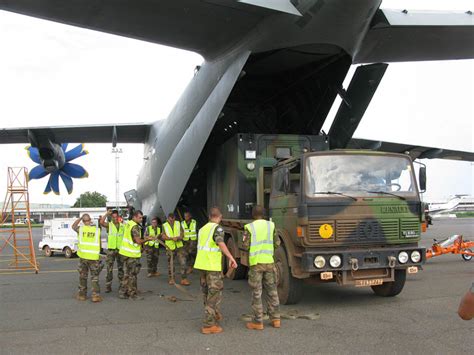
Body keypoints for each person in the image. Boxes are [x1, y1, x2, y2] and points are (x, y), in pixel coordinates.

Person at [194, 207, 237, 334]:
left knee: (207, 293)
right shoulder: (217, 228)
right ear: (220, 217)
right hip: (212, 266)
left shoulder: (202, 229)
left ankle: (213, 315)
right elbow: (220, 242)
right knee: (214, 294)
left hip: (202, 265)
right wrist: (231, 257)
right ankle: (209, 325)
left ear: (209, 216)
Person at [242, 205, 281, 330]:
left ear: (253, 215)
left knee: (257, 293)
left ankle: (258, 322)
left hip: (256, 263)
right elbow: (277, 243)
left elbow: (246, 245)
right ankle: (276, 319)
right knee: (272, 291)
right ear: (264, 214)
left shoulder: (249, 227)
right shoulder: (271, 225)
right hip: (269, 262)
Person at [118, 210, 153, 300]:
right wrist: (147, 239)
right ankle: (132, 294)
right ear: (134, 217)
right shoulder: (135, 227)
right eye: (139, 217)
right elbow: (138, 241)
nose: (141, 219)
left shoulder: (128, 223)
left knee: (127, 274)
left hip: (125, 253)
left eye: (142, 218)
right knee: (132, 275)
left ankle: (123, 292)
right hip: (132, 254)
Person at [72, 214, 103, 303]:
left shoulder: (80, 230)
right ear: (90, 220)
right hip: (93, 257)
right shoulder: (97, 230)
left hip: (83, 257)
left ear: (83, 221)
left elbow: (73, 226)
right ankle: (95, 296)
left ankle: (82, 295)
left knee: (83, 276)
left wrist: (80, 218)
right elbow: (100, 243)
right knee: (94, 277)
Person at [99, 209, 125, 293]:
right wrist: (107, 213)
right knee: (109, 269)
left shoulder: (122, 226)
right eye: (113, 217)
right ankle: (108, 286)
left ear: (118, 217)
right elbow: (101, 223)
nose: (114, 218)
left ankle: (122, 285)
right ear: (111, 217)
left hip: (120, 250)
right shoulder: (109, 225)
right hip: (111, 251)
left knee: (121, 269)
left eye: (116, 217)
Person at [162, 213, 189, 286]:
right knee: (171, 263)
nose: (172, 221)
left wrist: (178, 237)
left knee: (183, 262)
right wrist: (171, 238)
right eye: (170, 220)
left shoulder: (178, 223)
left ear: (175, 218)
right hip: (170, 247)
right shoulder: (164, 225)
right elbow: (163, 236)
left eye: (173, 220)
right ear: (168, 219)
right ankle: (171, 279)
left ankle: (184, 279)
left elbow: (182, 234)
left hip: (179, 246)